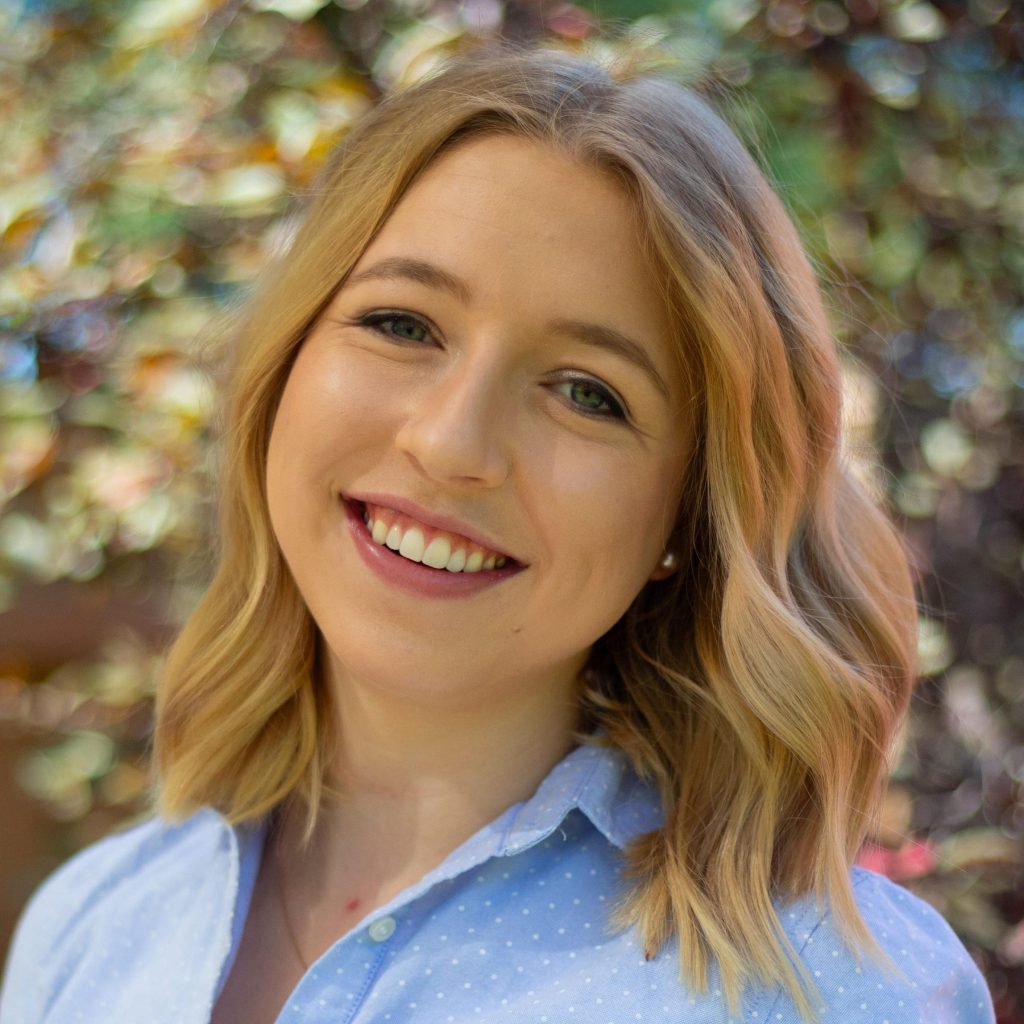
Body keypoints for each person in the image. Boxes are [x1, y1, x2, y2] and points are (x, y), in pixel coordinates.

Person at [0, 43, 995, 1024]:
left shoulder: (826, 989)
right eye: (402, 324)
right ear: (285, 366)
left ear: (689, 513)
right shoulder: (94, 923)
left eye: (588, 394)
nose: (449, 442)